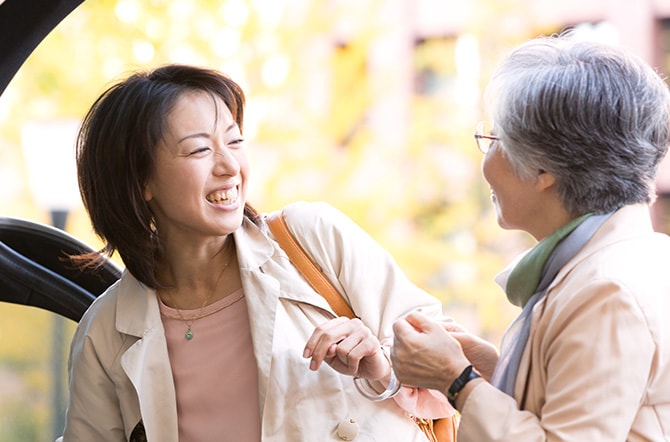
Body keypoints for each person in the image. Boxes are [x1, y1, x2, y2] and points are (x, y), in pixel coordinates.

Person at [60, 64, 453, 441]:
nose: (230, 165)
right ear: (141, 180)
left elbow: (456, 364)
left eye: (234, 141)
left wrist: (381, 364)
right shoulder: (106, 332)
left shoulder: (311, 238)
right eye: (199, 150)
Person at [390, 33, 670, 441]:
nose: (486, 160)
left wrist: (456, 380)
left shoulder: (607, 293)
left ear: (543, 168)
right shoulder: (633, 258)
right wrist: (495, 368)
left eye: (495, 140)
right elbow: (586, 407)